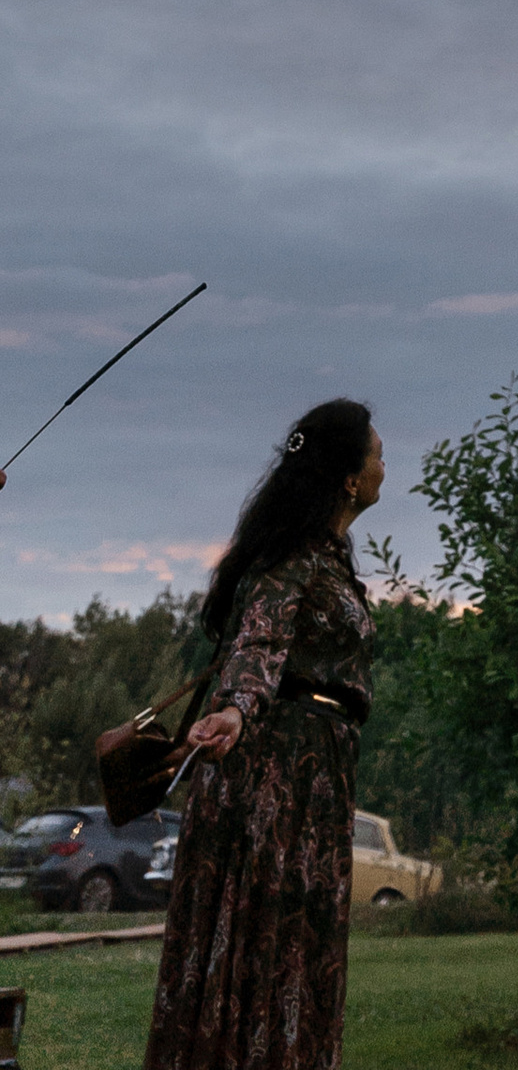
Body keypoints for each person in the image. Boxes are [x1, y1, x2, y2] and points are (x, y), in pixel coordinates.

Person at [144, 399, 384, 1070]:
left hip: (316, 775)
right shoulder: (291, 561)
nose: (384, 468)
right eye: (377, 456)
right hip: (277, 783)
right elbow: (258, 645)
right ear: (348, 477)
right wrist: (237, 711)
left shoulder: (327, 560)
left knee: (293, 952)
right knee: (267, 947)